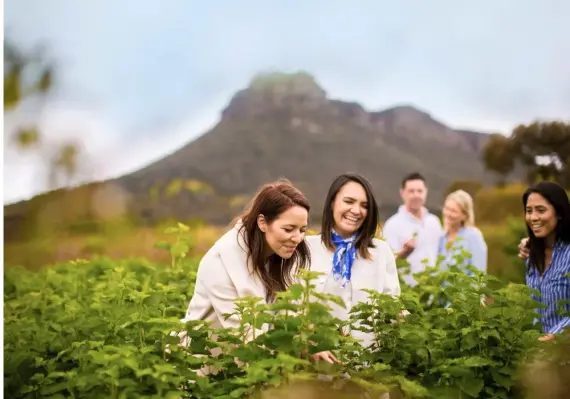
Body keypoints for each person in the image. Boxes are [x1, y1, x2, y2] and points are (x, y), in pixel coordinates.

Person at [306, 173, 402, 352]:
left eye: (364, 205)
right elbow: (297, 310)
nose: (356, 211)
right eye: (349, 201)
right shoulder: (307, 249)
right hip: (318, 367)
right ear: (333, 202)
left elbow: (392, 307)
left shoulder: (381, 252)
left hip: (368, 366)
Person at [520, 181, 570, 340]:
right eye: (529, 211)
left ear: (559, 213)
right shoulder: (531, 256)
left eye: (541, 210)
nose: (533, 217)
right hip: (540, 354)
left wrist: (554, 336)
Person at [382, 172, 443, 286]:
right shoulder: (392, 225)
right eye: (411, 191)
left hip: (433, 290)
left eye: (419, 191)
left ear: (426, 192)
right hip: (407, 291)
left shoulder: (434, 222)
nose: (416, 195)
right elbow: (387, 265)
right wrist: (404, 253)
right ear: (402, 193)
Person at [438, 190, 488, 273]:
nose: (448, 214)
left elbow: (479, 273)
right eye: (447, 208)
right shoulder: (441, 237)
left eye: (453, 211)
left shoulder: (473, 236)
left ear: (464, 216)